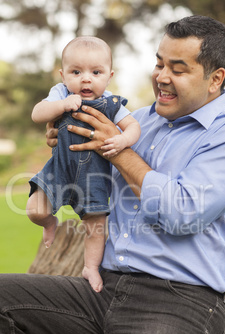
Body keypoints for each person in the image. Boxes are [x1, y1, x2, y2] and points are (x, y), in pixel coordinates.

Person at [0, 15, 225, 334]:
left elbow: (181, 213)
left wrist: (118, 149)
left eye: (178, 68)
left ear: (215, 78)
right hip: (104, 291)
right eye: (159, 63)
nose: (162, 76)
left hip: (180, 306)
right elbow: (82, 170)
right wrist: (65, 135)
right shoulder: (140, 121)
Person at [27, 36, 141, 292]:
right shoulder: (61, 93)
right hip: (59, 168)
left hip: (94, 174)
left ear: (109, 76)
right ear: (63, 74)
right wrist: (61, 105)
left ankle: (90, 267)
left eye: (96, 72)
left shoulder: (112, 104)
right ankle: (49, 223)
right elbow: (37, 114)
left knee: (95, 227)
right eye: (76, 72)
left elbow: (134, 127)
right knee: (35, 210)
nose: (86, 78)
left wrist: (123, 140)